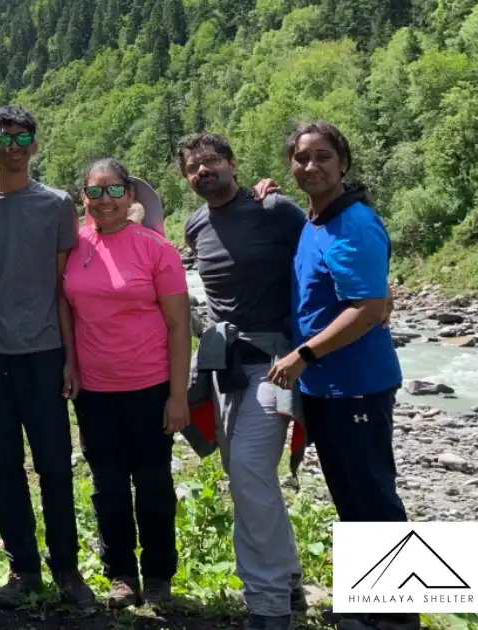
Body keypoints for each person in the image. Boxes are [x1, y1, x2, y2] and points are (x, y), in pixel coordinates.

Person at [267, 122, 417, 630]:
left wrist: (303, 355)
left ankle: (400, 618)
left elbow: (371, 307)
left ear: (344, 163)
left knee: (375, 493)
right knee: (350, 493)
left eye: (323, 157)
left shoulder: (353, 223)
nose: (311, 166)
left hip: (357, 381)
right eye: (301, 158)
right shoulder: (318, 220)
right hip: (329, 386)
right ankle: (367, 605)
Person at [0, 106, 95, 610]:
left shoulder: (57, 205)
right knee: (0, 466)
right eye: (3, 137)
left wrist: (70, 357)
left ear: (35, 144)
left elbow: (65, 288)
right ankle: (23, 568)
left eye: (23, 137)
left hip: (43, 353)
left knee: (55, 464)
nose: (13, 145)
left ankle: (68, 571)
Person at [176, 133, 310, 630]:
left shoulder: (276, 210)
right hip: (224, 369)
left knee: (252, 473)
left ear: (233, 163)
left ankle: (269, 605)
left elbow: (322, 251)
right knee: (247, 479)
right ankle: (289, 578)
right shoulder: (195, 226)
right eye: (193, 166)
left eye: (211, 161)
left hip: (276, 363)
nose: (203, 170)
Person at [62, 158, 190, 608]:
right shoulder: (74, 245)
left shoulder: (156, 249)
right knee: (107, 485)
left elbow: (179, 325)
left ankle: (158, 575)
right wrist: (71, 364)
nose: (105, 200)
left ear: (130, 195)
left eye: (114, 190)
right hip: (95, 389)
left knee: (153, 484)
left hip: (150, 385)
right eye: (95, 192)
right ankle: (120, 574)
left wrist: (178, 395)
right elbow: (66, 309)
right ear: (84, 198)